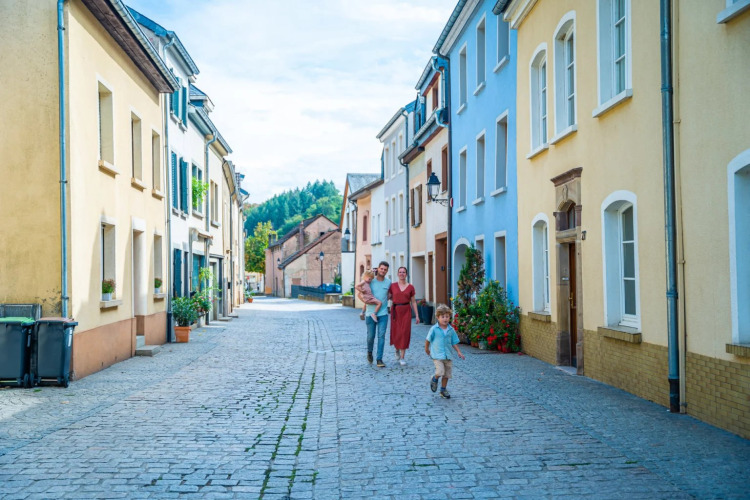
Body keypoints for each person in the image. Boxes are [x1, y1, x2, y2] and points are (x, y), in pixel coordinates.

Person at [425, 304, 465, 399]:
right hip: (437, 355)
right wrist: (426, 349)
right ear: (438, 317)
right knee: (440, 372)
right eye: (442, 317)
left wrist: (459, 352)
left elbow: (453, 342)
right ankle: (434, 378)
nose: (445, 319)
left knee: (447, 374)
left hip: (448, 356)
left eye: (447, 316)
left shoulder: (451, 330)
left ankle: (443, 390)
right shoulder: (434, 329)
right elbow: (428, 340)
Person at [356, 262, 391, 367]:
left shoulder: (388, 282)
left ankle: (379, 359)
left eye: (385, 269)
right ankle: (369, 352)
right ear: (378, 269)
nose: (383, 271)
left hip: (383, 314)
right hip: (370, 313)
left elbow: (390, 294)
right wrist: (365, 302)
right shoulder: (370, 281)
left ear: (387, 271)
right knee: (371, 336)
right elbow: (359, 293)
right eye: (381, 269)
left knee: (381, 336)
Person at [388, 266, 419, 366]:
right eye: (400, 272)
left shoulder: (410, 287)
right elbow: (387, 297)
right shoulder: (392, 286)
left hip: (406, 311)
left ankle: (402, 357)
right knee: (396, 332)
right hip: (395, 311)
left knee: (404, 333)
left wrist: (417, 315)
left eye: (404, 272)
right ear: (397, 274)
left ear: (406, 274)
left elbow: (413, 302)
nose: (402, 274)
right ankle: (396, 348)